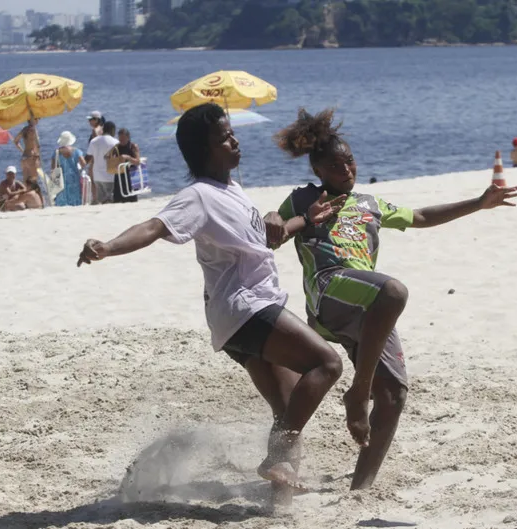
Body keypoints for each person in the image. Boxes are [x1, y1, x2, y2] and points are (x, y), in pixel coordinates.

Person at [77, 103, 347, 494]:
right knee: (327, 363)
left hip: (242, 314)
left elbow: (265, 240)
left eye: (232, 133)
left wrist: (306, 219)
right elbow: (155, 226)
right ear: (205, 150)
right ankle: (277, 459)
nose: (235, 140)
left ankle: (281, 502)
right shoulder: (199, 196)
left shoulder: (231, 189)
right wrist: (108, 246)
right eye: (225, 137)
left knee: (289, 408)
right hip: (247, 308)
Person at [269, 108, 517, 490]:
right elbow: (275, 230)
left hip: (368, 309)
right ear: (318, 171)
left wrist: (478, 202)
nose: (347, 170)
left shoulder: (369, 203)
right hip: (329, 290)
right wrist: (273, 215)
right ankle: (357, 395)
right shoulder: (305, 197)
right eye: (336, 166)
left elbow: (420, 216)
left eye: (350, 161)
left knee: (394, 395)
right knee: (393, 291)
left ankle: (361, 488)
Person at [86, 121, 119, 205]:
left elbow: (88, 158)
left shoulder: (93, 141)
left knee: (101, 200)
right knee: (111, 200)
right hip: (110, 176)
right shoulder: (115, 142)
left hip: (97, 176)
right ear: (112, 130)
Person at [52, 131, 87, 207]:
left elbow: (53, 167)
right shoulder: (77, 151)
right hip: (74, 177)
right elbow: (83, 164)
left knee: (62, 199)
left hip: (61, 178)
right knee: (75, 197)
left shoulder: (56, 152)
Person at [113, 128, 142, 204]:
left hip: (130, 176)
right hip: (119, 176)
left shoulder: (133, 146)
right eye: (120, 138)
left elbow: (138, 162)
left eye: (123, 138)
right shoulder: (116, 147)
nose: (121, 140)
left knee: (131, 199)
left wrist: (128, 158)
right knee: (117, 200)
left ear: (128, 137)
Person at [14, 118, 42, 191]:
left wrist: (22, 150)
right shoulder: (33, 130)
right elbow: (38, 145)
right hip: (32, 157)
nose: (38, 120)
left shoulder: (24, 130)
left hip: (24, 157)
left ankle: (27, 199)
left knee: (25, 181)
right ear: (31, 120)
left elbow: (15, 141)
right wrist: (37, 155)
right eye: (36, 118)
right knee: (33, 180)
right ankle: (34, 199)